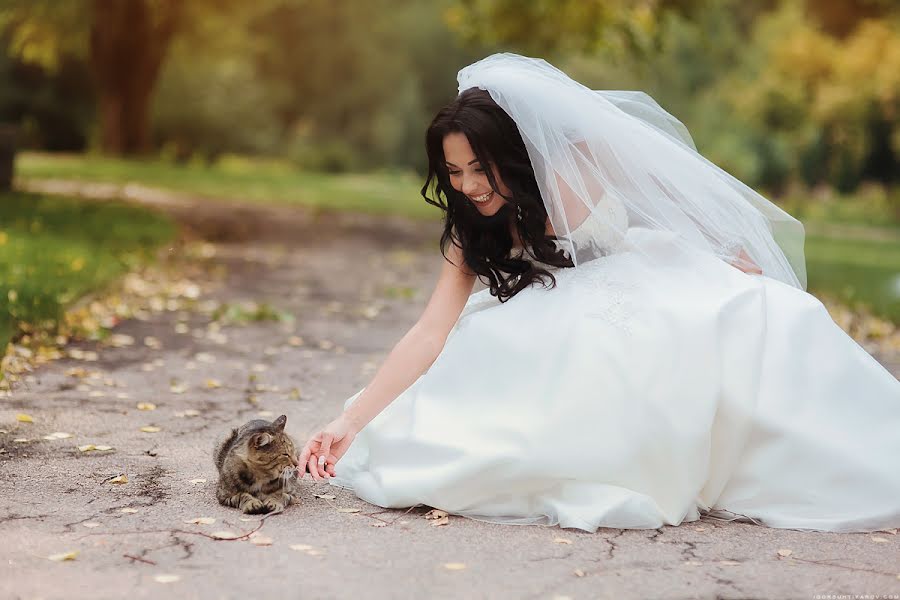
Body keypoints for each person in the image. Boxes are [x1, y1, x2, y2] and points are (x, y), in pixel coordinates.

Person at [298, 53, 900, 532]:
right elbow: (430, 330)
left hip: (647, 279)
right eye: (454, 174)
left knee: (764, 312)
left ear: (513, 152)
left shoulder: (578, 163)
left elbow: (678, 194)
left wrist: (729, 255)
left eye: (480, 168)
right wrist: (349, 419)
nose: (470, 186)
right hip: (552, 315)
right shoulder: (470, 227)